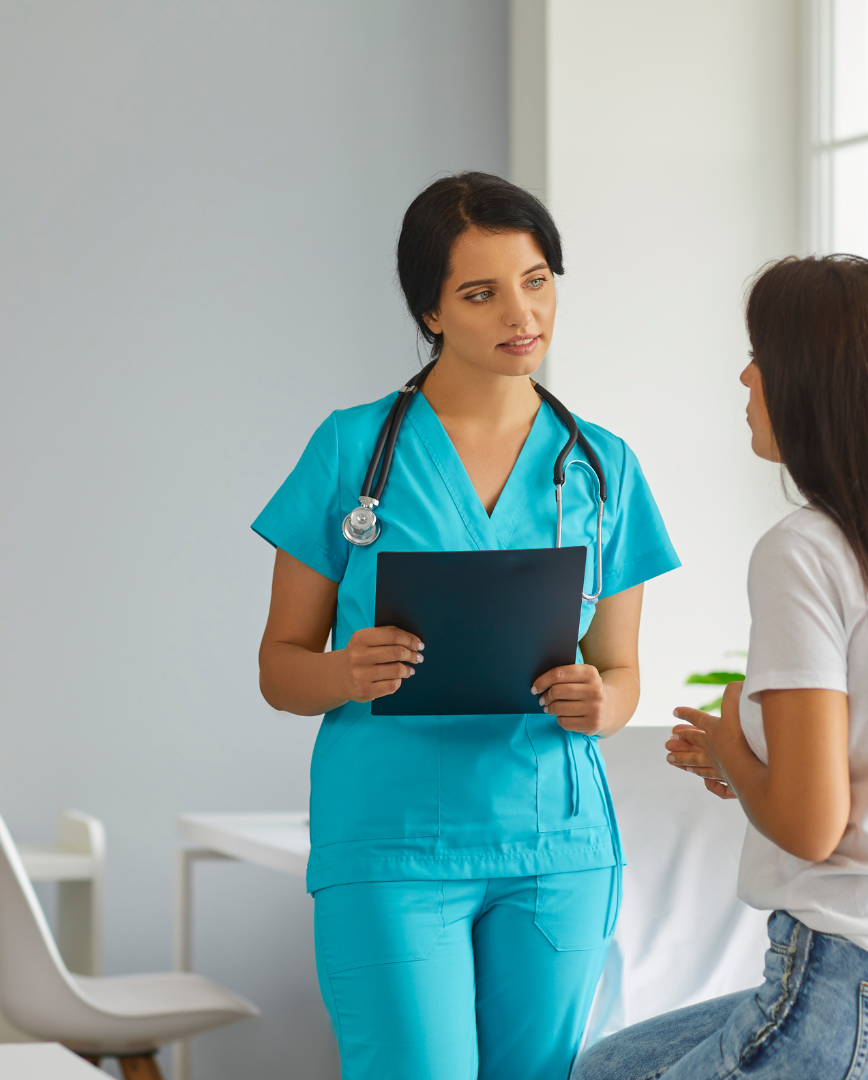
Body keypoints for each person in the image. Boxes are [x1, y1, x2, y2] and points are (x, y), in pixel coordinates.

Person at [574, 255, 868, 1080]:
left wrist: (733, 743)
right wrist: (754, 762)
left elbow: (808, 827)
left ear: (813, 382)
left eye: (759, 355)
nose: (743, 375)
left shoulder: (802, 550)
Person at [253, 172, 679, 1080]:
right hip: (392, 845)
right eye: (480, 293)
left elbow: (623, 675)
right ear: (431, 311)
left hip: (557, 848)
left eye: (536, 280)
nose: (519, 313)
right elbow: (281, 668)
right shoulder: (351, 450)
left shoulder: (603, 466)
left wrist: (598, 702)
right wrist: (344, 672)